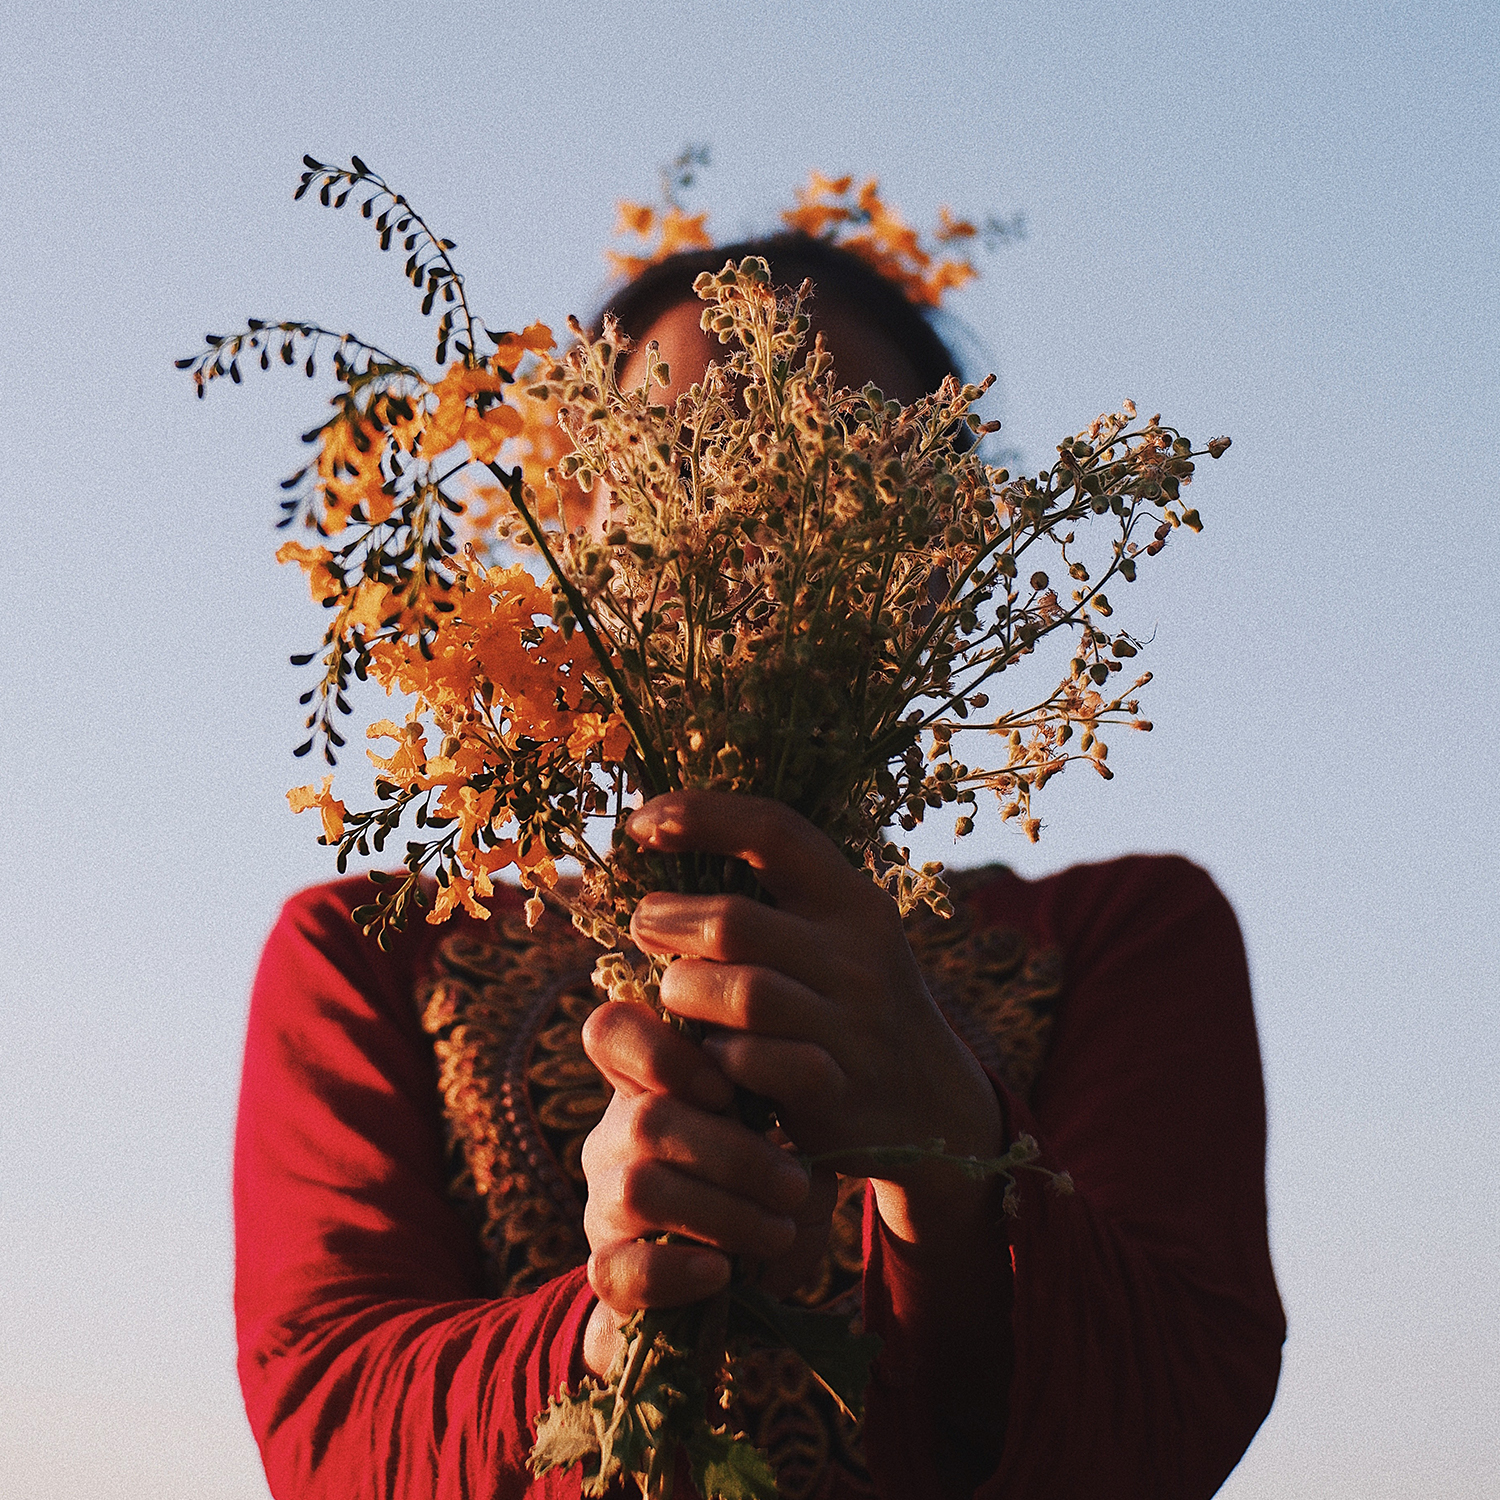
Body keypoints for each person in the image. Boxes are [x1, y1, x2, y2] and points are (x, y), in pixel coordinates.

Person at [234, 233, 1285, 1499]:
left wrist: (951, 1157)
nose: (742, 512)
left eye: (832, 457)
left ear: (950, 554)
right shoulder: (374, 951)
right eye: (675, 460)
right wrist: (601, 1325)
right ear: (578, 529)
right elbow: (325, 1416)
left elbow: (1170, 1419)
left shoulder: (1122, 939)